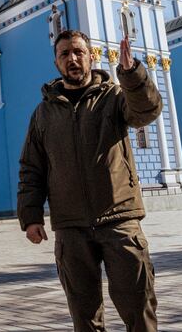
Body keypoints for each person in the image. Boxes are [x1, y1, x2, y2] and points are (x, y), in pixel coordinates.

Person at [18, 30, 163, 332]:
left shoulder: (114, 97)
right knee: (84, 316)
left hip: (119, 221)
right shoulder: (44, 113)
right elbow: (32, 168)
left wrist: (131, 74)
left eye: (78, 52)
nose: (72, 58)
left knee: (138, 308)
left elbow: (147, 110)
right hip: (71, 229)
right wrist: (30, 216)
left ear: (90, 56)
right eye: (64, 54)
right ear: (56, 62)